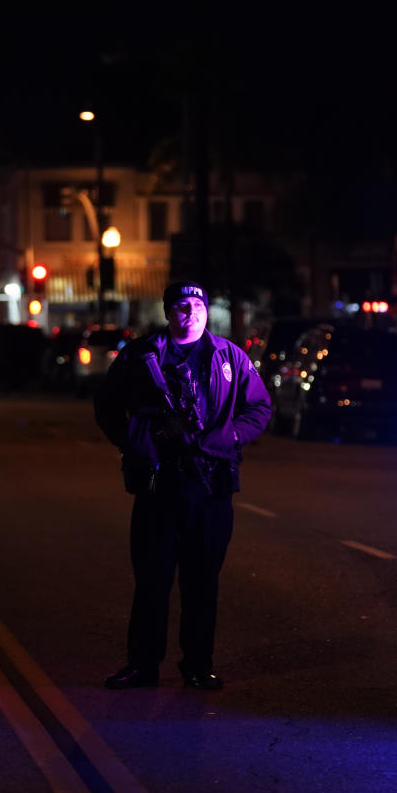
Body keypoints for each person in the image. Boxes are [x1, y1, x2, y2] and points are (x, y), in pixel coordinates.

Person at [94, 281, 272, 690]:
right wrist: (136, 442)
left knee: (202, 581)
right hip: (158, 484)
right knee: (151, 581)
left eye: (196, 305)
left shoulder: (229, 356)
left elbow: (259, 406)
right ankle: (142, 665)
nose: (189, 312)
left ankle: (197, 665)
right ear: (167, 312)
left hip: (210, 485)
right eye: (180, 306)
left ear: (206, 311)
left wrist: (227, 438)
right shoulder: (141, 355)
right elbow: (106, 405)